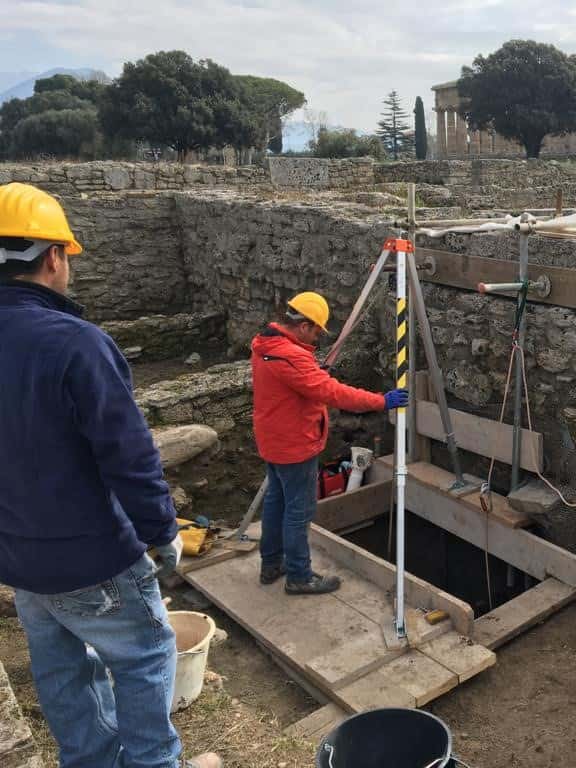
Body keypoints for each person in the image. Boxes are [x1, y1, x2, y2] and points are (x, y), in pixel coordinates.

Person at [0, 182, 219, 768]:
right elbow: (128, 454)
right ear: (54, 257)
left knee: (63, 674)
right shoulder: (75, 344)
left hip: (21, 561)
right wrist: (161, 529)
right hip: (95, 556)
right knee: (146, 658)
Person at [251, 292, 408, 594]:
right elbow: (333, 393)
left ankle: (271, 564)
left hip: (273, 439)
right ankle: (299, 576)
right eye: (316, 331)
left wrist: (310, 373)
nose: (317, 338)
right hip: (294, 444)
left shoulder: (266, 344)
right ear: (304, 326)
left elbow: (296, 383)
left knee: (276, 503)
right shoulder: (292, 356)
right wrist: (381, 401)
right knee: (299, 511)